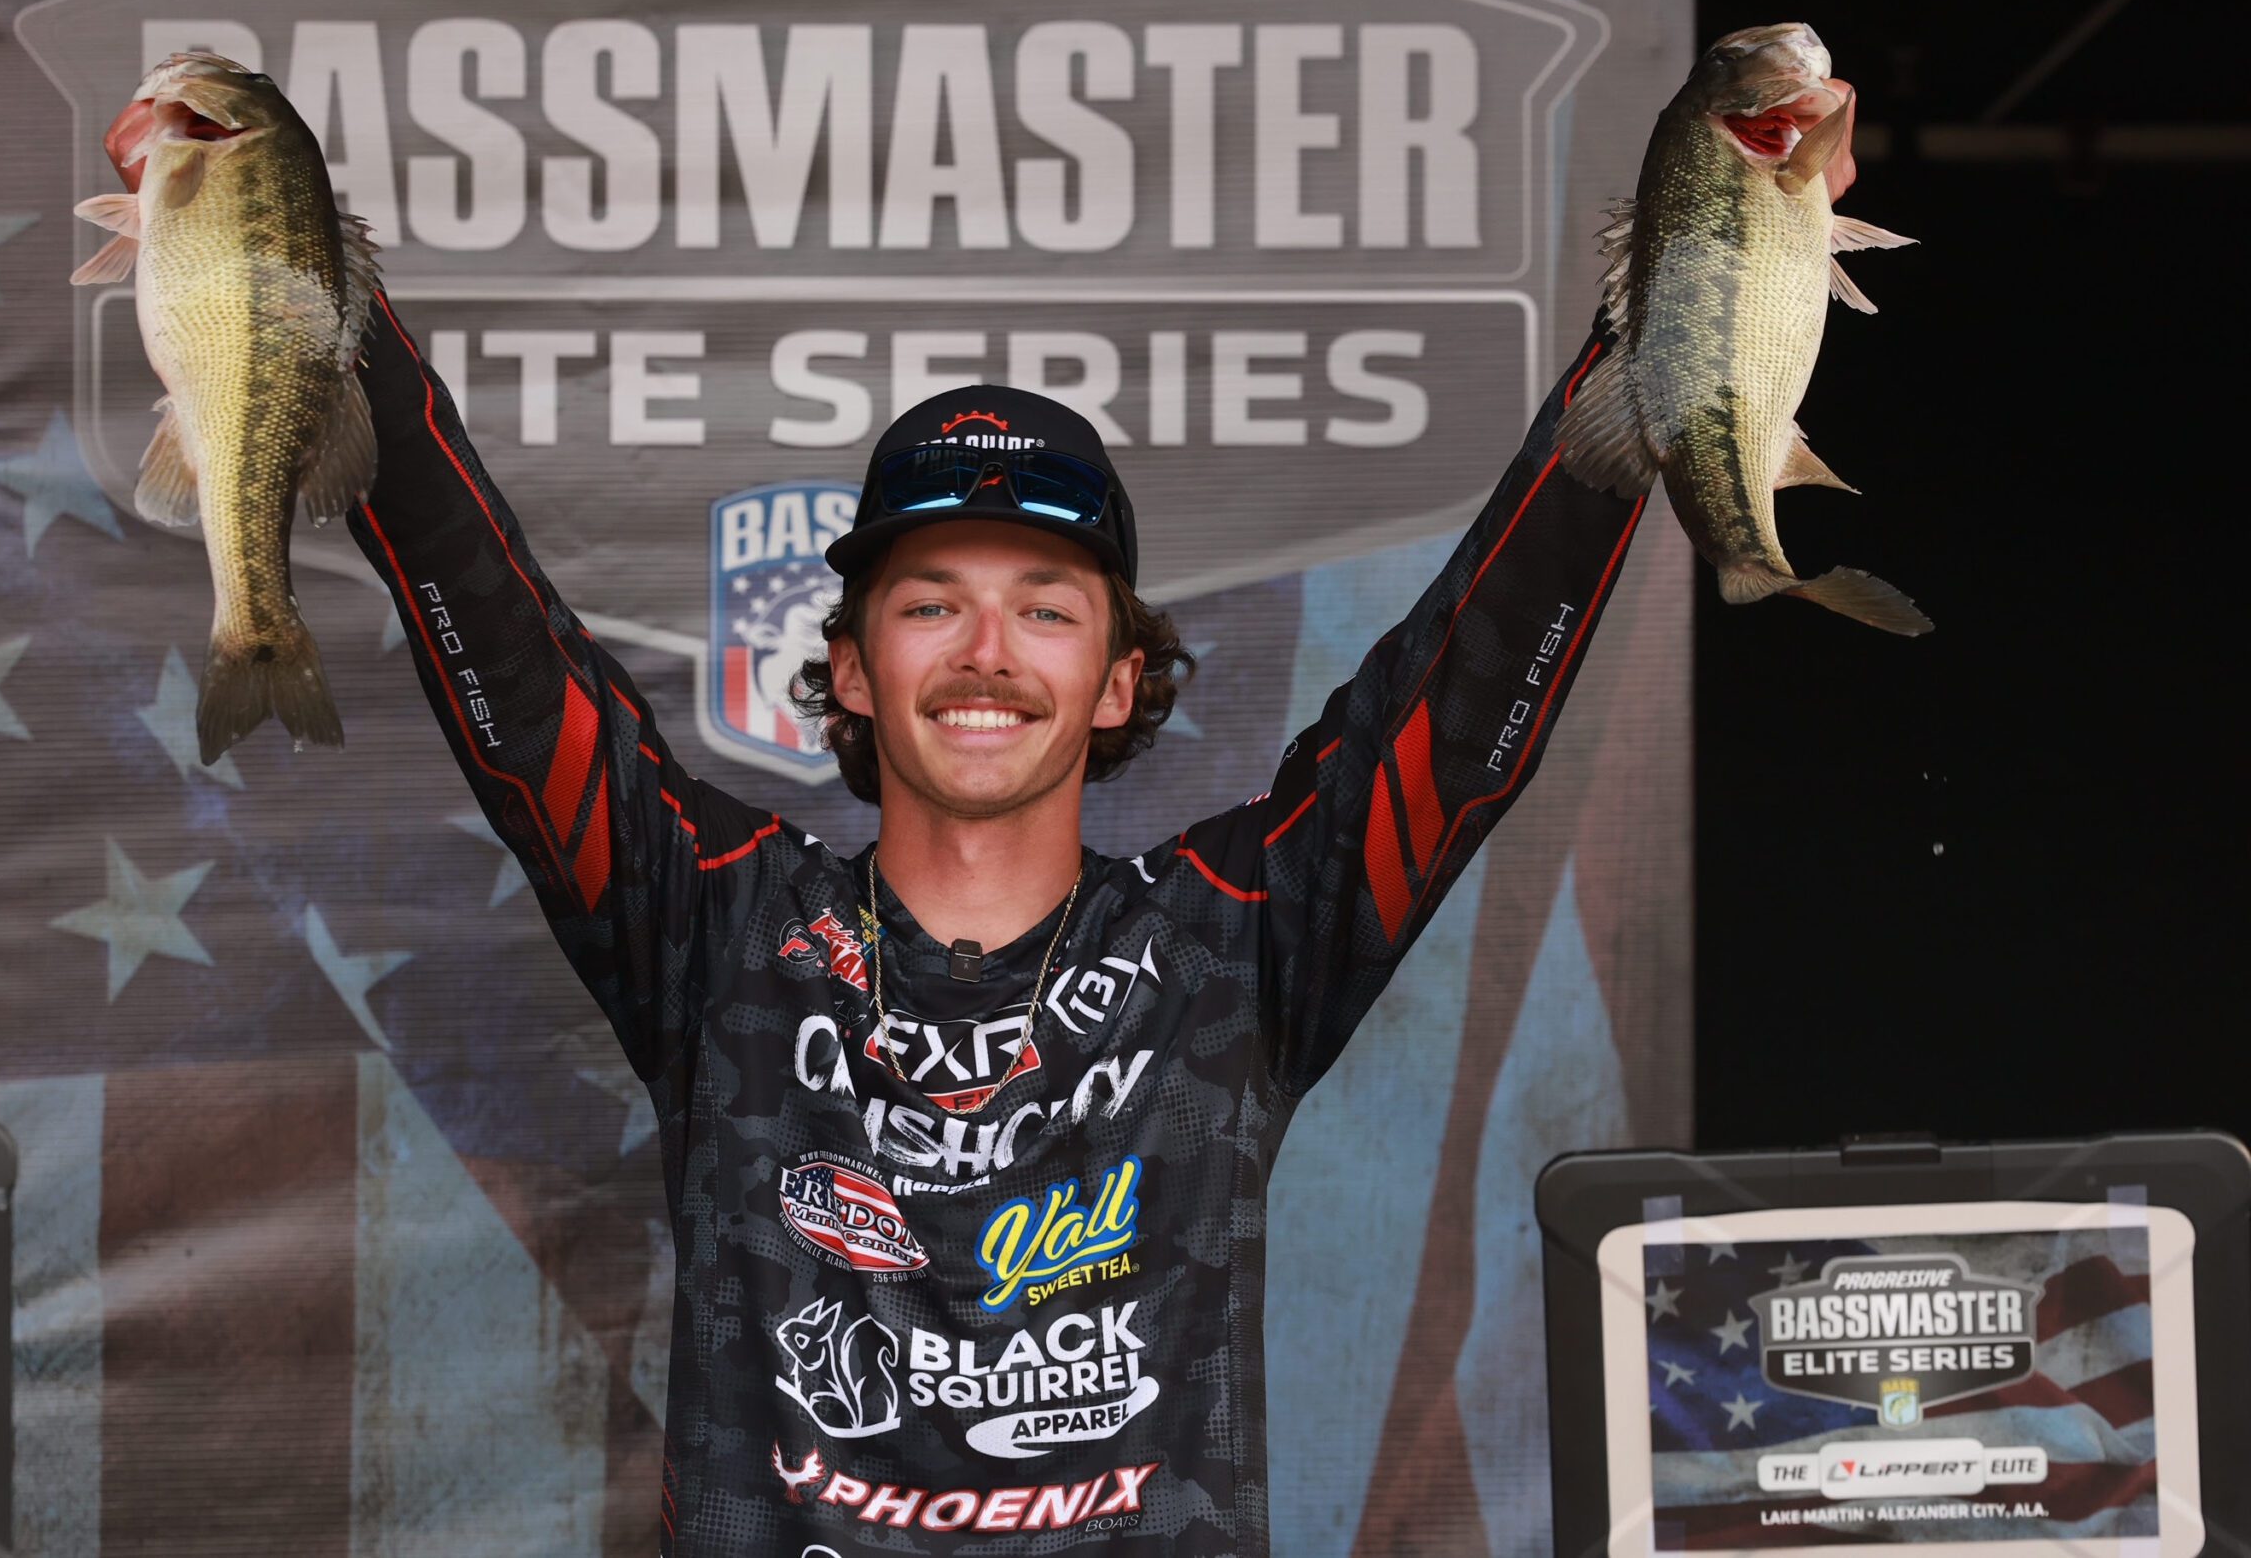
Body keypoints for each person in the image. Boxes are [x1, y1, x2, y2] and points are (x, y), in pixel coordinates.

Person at [341, 108, 1860, 1556]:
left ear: (1120, 677)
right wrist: (303, 290)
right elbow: (504, 649)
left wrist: (1700, 262)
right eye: (931, 604)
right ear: (851, 668)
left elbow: (1471, 679)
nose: (985, 654)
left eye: (1047, 610)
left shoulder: (1231, 947)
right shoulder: (721, 930)